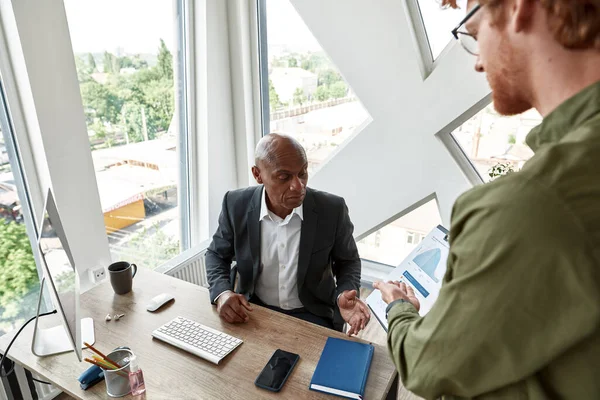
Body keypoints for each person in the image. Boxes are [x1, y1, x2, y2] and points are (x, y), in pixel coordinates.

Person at [374, 1, 600, 399]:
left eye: (475, 33)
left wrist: (397, 307)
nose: (478, 62)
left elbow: (426, 365)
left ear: (517, 8)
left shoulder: (532, 204)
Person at [206, 134, 370, 334]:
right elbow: (216, 254)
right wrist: (222, 293)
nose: (298, 186)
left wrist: (344, 293)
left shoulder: (332, 209)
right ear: (258, 174)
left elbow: (348, 261)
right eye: (284, 177)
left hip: (313, 314)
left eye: (302, 173)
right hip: (252, 309)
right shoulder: (235, 204)